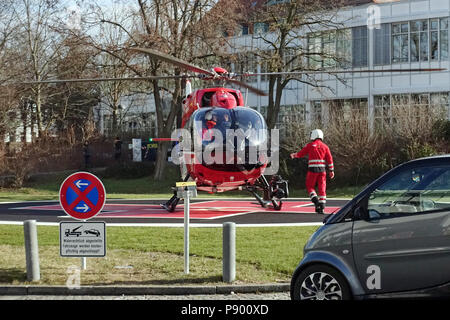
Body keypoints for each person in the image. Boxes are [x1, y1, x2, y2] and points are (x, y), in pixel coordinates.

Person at [290, 129, 334, 214]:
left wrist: (294, 155)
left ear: (314, 135)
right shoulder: (325, 146)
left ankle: (315, 200)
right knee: (322, 187)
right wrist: (331, 170)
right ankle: (322, 206)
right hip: (322, 170)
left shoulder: (310, 145)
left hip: (312, 170)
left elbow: (301, 153)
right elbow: (330, 159)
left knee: (310, 186)